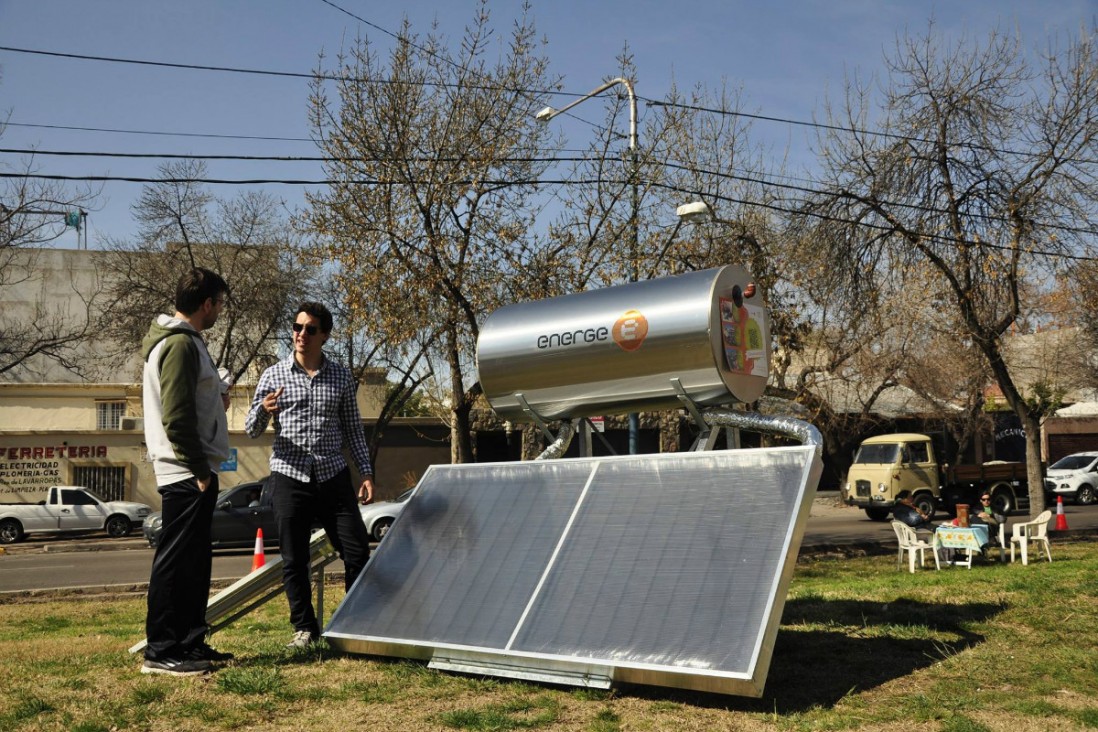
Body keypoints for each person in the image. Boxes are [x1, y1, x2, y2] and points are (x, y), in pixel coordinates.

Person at [245, 301, 374, 648]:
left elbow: (352, 429)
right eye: (297, 327)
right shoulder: (273, 375)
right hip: (289, 475)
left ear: (325, 336)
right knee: (295, 558)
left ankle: (354, 624)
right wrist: (263, 410)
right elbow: (251, 428)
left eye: (310, 329)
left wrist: (365, 472)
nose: (301, 334)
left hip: (332, 474)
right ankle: (305, 629)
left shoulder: (341, 376)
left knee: (357, 551)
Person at [141, 267, 234, 676]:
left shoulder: (189, 343)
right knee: (176, 562)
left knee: (195, 562)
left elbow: (191, 405)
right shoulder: (179, 345)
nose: (220, 313)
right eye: (219, 305)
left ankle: (191, 643)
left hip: (194, 469)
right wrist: (198, 470)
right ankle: (161, 651)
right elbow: (176, 417)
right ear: (207, 303)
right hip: (184, 472)